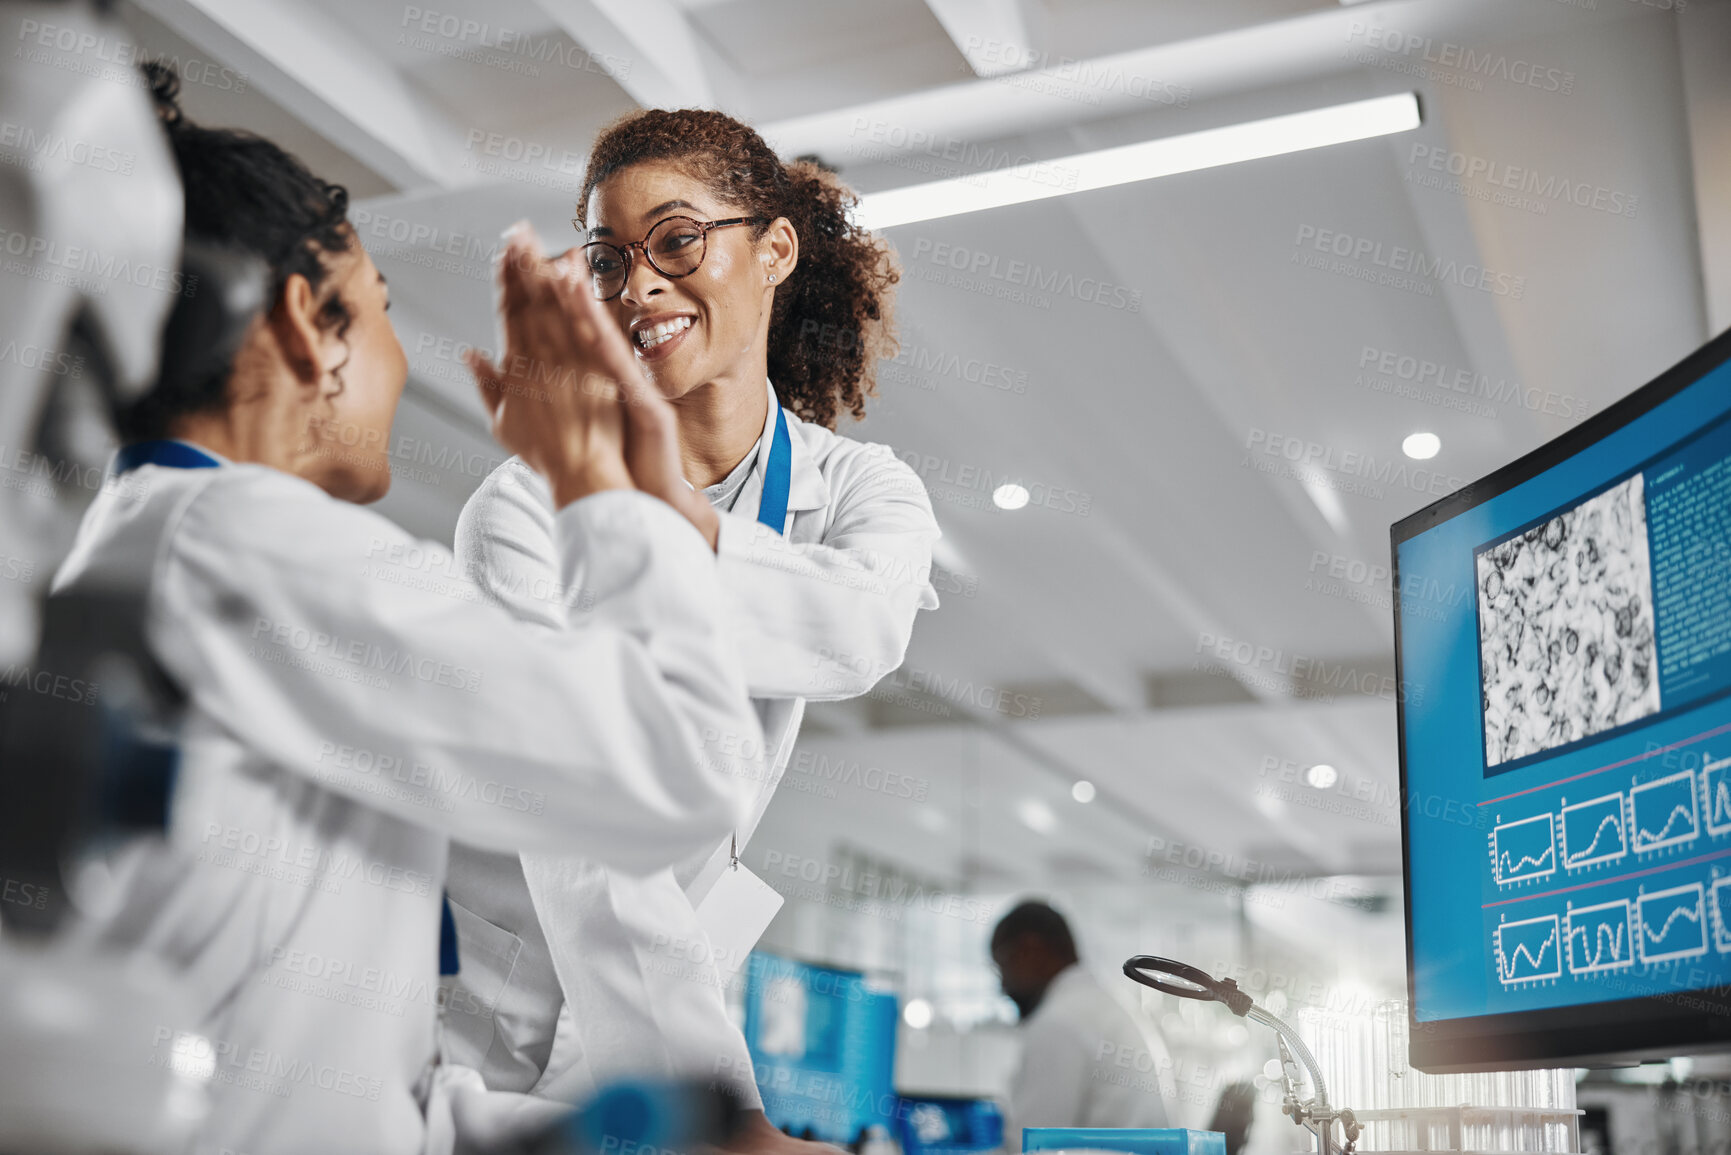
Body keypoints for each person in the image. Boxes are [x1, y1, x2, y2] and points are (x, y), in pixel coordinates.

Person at [50, 67, 765, 1155]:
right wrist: (614, 486)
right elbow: (676, 776)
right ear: (306, 325)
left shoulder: (161, 544)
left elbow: (293, 1055)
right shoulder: (258, 551)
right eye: (381, 313)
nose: (393, 358)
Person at [440, 108, 941, 1144]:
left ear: (774, 249)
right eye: (606, 259)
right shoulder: (526, 511)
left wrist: (659, 527)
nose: (639, 288)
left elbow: (859, 630)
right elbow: (581, 825)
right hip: (495, 1032)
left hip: (668, 994)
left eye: (676, 240)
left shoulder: (861, 487)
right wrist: (733, 1121)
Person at [991, 901, 1179, 1150]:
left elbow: (1026, 1147)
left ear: (1030, 950)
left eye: (1003, 966)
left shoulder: (1058, 1023)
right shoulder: (1101, 1004)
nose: (1003, 985)